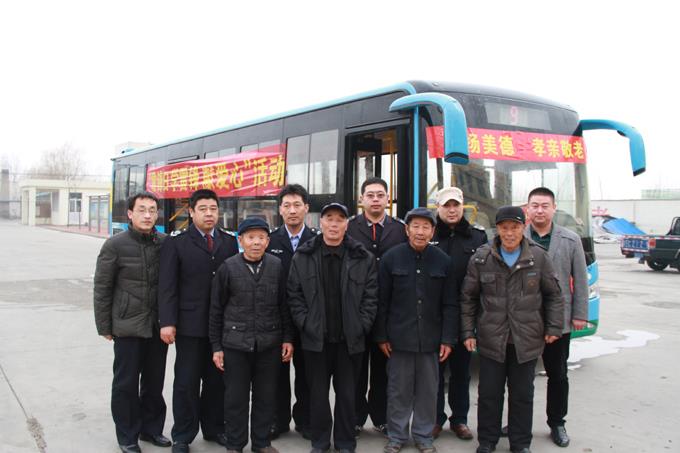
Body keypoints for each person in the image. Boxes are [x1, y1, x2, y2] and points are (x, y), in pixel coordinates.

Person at [460, 206, 564, 453]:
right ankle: (487, 441)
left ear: (523, 227)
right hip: (491, 339)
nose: (509, 233)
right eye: (504, 228)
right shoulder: (482, 258)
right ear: (497, 229)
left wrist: (554, 327)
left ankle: (520, 443)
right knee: (489, 394)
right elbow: (468, 298)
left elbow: (554, 295)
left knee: (522, 395)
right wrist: (468, 332)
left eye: (514, 227)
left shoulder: (538, 257)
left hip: (525, 340)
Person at [287, 202, 378, 453]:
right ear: (321, 222)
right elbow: (294, 296)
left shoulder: (362, 257)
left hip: (350, 341)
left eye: (340, 219)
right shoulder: (303, 256)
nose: (334, 224)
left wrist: (361, 326)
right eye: (329, 219)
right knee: (317, 395)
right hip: (316, 340)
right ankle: (320, 441)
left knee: (348, 396)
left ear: (347, 224)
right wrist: (306, 324)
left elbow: (371, 298)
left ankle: (346, 442)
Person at [158, 189, 239, 453]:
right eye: (202, 209)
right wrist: (167, 322)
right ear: (191, 212)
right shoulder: (177, 243)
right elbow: (167, 286)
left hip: (222, 326)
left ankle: (214, 428)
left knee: (217, 381)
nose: (209, 214)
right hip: (189, 325)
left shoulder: (229, 242)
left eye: (213, 209)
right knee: (187, 381)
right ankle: (183, 435)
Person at [209, 217, 294, 453]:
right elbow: (216, 310)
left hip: (269, 343)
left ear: (268, 241)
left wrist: (288, 338)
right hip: (235, 345)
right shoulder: (228, 268)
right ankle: (235, 444)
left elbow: (284, 305)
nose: (256, 242)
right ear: (241, 240)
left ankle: (261, 443)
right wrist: (216, 347)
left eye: (261, 238)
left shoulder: (276, 266)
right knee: (235, 398)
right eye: (251, 237)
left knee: (265, 397)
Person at [375, 207, 457, 453]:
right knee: (398, 391)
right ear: (407, 230)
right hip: (399, 339)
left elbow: (450, 304)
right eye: (416, 226)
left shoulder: (443, 261)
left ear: (432, 231)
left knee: (428, 392)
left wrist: (448, 339)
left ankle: (423, 436)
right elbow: (381, 301)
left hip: (431, 340)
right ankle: (397, 436)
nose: (420, 232)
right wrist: (381, 336)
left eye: (426, 227)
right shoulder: (391, 258)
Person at [94, 192, 170, 453]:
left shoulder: (165, 243)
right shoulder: (115, 245)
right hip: (127, 326)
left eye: (152, 210)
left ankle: (151, 429)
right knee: (125, 384)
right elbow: (102, 287)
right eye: (142, 210)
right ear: (130, 214)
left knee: (154, 382)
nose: (147, 215)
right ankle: (127, 435)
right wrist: (104, 326)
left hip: (157, 326)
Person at [525, 187, 588, 448]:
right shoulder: (515, 236)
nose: (539, 210)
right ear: (527, 209)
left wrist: (580, 314)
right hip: (524, 320)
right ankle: (519, 422)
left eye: (545, 206)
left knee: (558, 374)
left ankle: (557, 422)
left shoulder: (570, 240)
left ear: (554, 208)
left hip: (559, 319)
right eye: (535, 205)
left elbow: (580, 279)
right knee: (520, 376)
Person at [347, 177, 407, 437]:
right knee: (356, 369)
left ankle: (382, 418)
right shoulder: (350, 227)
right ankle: (356, 418)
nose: (375, 199)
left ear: (387, 199)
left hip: (389, 309)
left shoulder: (400, 229)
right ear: (361, 199)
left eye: (380, 195)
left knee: (384, 370)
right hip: (357, 308)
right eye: (370, 195)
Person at [431, 187, 487, 441]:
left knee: (461, 372)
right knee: (434, 373)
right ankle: (435, 419)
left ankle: (459, 420)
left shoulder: (477, 237)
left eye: (456, 205)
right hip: (435, 316)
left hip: (465, 316)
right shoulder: (429, 234)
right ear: (438, 208)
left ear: (462, 206)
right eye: (446, 206)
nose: (452, 210)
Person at [266, 184, 318, 440]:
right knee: (277, 374)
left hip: (309, 319)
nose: (292, 210)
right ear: (280, 210)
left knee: (308, 374)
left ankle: (305, 420)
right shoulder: (270, 240)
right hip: (277, 318)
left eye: (297, 205)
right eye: (287, 205)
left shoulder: (317, 241)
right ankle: (278, 420)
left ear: (306, 208)